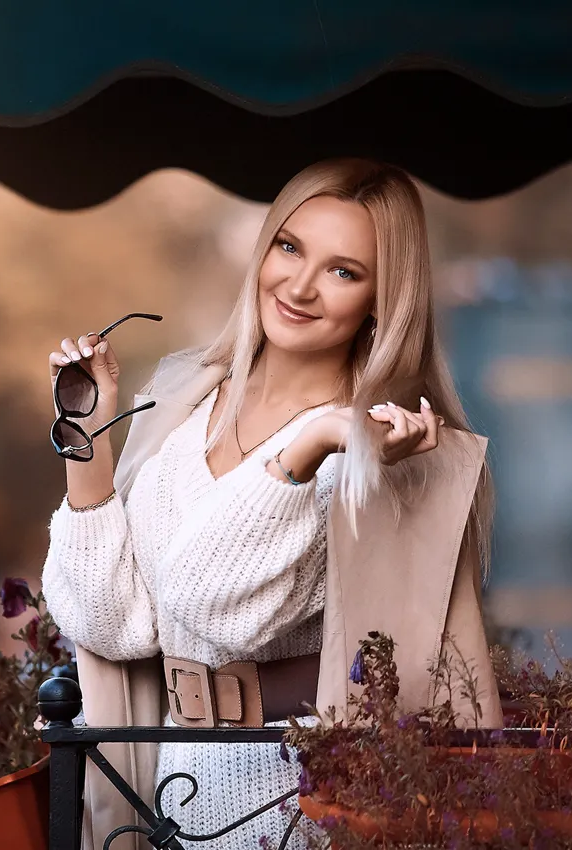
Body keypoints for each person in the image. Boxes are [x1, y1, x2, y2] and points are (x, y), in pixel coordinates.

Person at [41, 159, 503, 850]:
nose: (301, 285)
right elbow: (115, 624)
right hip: (170, 799)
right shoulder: (184, 400)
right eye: (289, 247)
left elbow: (211, 604)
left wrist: (314, 440)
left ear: (382, 300)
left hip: (296, 808)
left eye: (343, 271)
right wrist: (88, 439)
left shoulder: (371, 452)